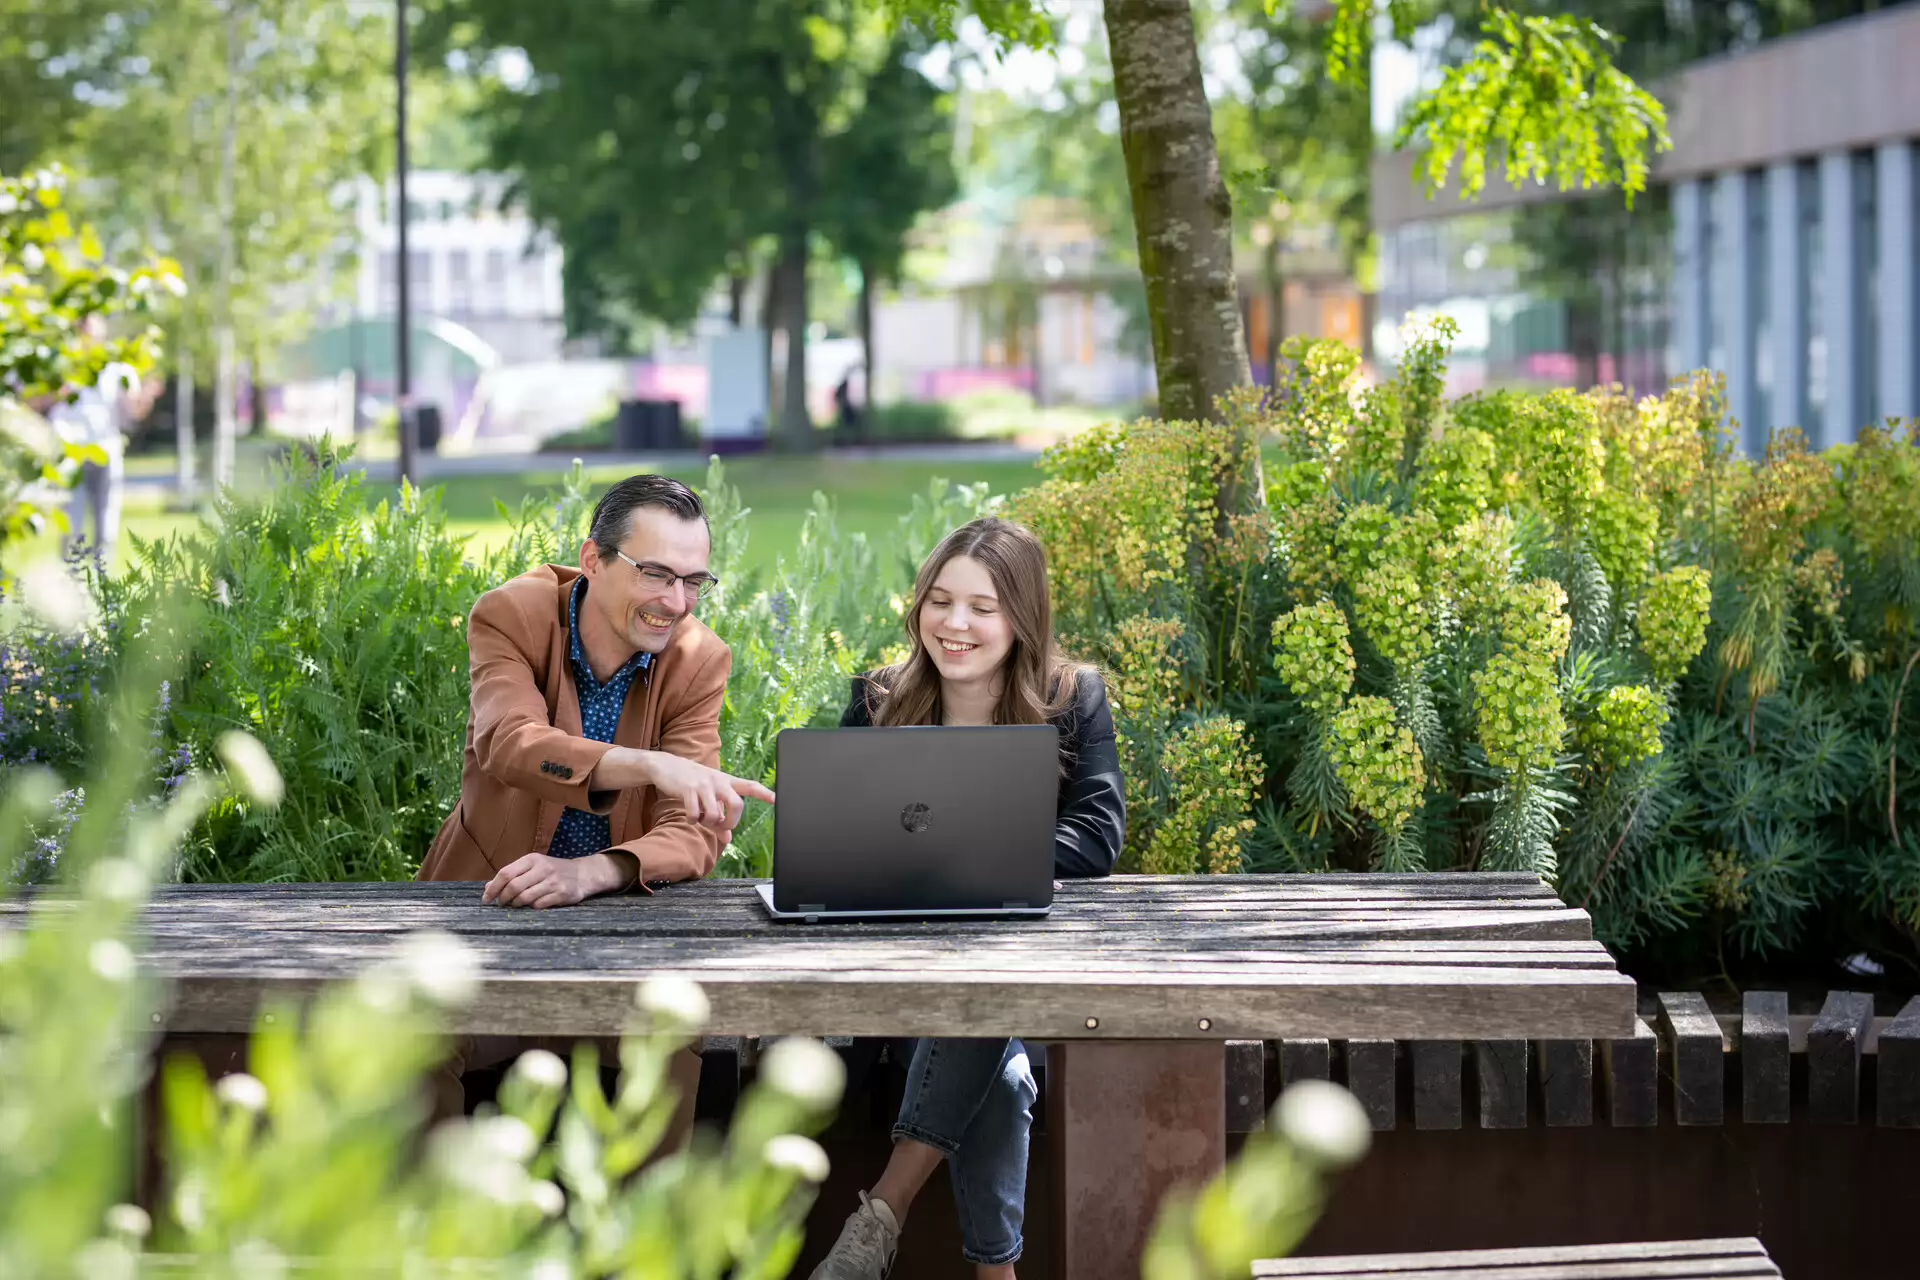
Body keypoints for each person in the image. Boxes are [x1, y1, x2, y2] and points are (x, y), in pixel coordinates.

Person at [809, 516, 1125, 1280]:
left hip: (1019, 973)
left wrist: (977, 858)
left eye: (982, 607)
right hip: (899, 970)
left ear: (1022, 616)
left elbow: (1098, 830)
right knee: (1005, 1073)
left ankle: (877, 1220)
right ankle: (995, 1276)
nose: (955, 624)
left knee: (995, 1019)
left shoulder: (1071, 697)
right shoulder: (880, 697)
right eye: (940, 601)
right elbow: (839, 828)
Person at [417, 473, 775, 1125]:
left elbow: (694, 832)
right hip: (487, 909)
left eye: (694, 581)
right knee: (414, 1049)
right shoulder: (513, 614)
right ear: (593, 561)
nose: (678, 601)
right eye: (657, 574)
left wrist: (593, 872)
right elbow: (510, 742)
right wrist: (649, 765)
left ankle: (648, 1229)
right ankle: (438, 1226)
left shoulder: (698, 660)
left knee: (674, 1048)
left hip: (618, 930)